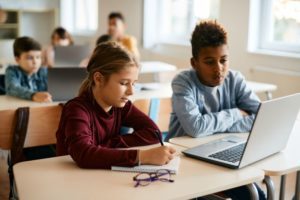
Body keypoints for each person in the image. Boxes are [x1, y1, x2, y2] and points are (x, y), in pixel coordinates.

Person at [166, 20, 265, 200]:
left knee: (257, 196)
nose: (218, 69)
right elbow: (195, 128)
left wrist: (215, 126)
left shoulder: (235, 79)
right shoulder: (183, 82)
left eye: (223, 60)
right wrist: (236, 113)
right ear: (194, 63)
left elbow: (261, 118)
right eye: (209, 62)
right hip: (183, 162)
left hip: (220, 156)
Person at [56, 41, 176, 169]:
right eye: (124, 83)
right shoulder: (76, 109)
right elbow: (83, 154)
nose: (131, 92)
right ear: (99, 79)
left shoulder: (121, 106)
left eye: (133, 83)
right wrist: (141, 156)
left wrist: (107, 145)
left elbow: (153, 133)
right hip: (70, 180)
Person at [5, 36, 52, 102]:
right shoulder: (12, 71)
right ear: (17, 59)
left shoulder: (43, 71)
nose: (35, 62)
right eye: (30, 58)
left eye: (38, 57)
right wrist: (33, 95)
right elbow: (12, 88)